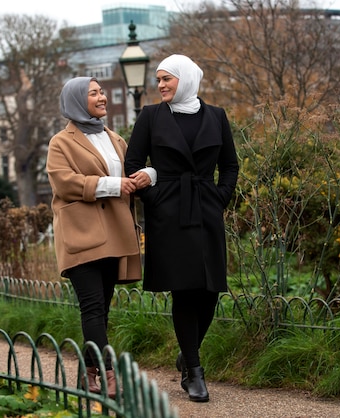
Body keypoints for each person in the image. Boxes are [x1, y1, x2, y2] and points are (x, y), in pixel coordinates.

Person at [125, 54, 239, 402]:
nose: (160, 85)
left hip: (206, 208)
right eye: (158, 79)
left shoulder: (216, 116)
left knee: (210, 289)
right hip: (169, 214)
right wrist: (155, 197)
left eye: (167, 79)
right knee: (183, 289)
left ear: (185, 79)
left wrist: (220, 197)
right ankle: (194, 371)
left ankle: (187, 355)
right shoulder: (150, 116)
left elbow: (230, 165)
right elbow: (133, 162)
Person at [46, 76, 152, 398]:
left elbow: (133, 171)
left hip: (114, 235)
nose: (102, 97)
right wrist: (111, 185)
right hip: (81, 236)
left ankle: (87, 374)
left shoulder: (115, 139)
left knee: (101, 311)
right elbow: (64, 183)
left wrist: (149, 175)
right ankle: (108, 375)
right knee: (92, 309)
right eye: (94, 93)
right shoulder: (60, 143)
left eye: (102, 91)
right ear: (78, 101)